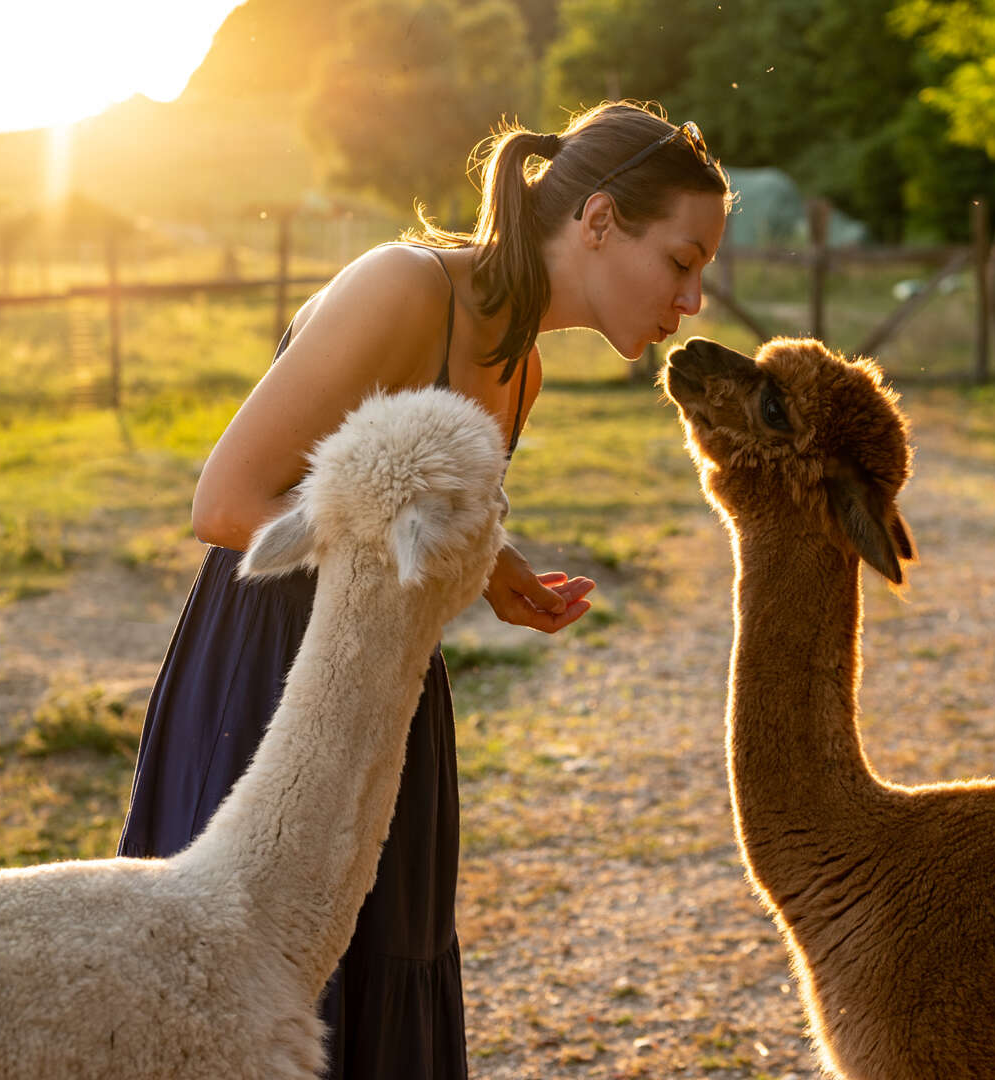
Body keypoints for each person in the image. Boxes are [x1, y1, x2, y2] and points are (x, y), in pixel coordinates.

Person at [117, 100, 730, 1079]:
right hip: (273, 678)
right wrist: (456, 552)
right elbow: (229, 505)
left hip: (390, 694)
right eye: (684, 262)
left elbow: (392, 504)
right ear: (600, 220)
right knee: (251, 1000)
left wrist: (491, 568)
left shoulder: (520, 371)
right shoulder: (404, 288)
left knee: (381, 983)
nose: (693, 299)